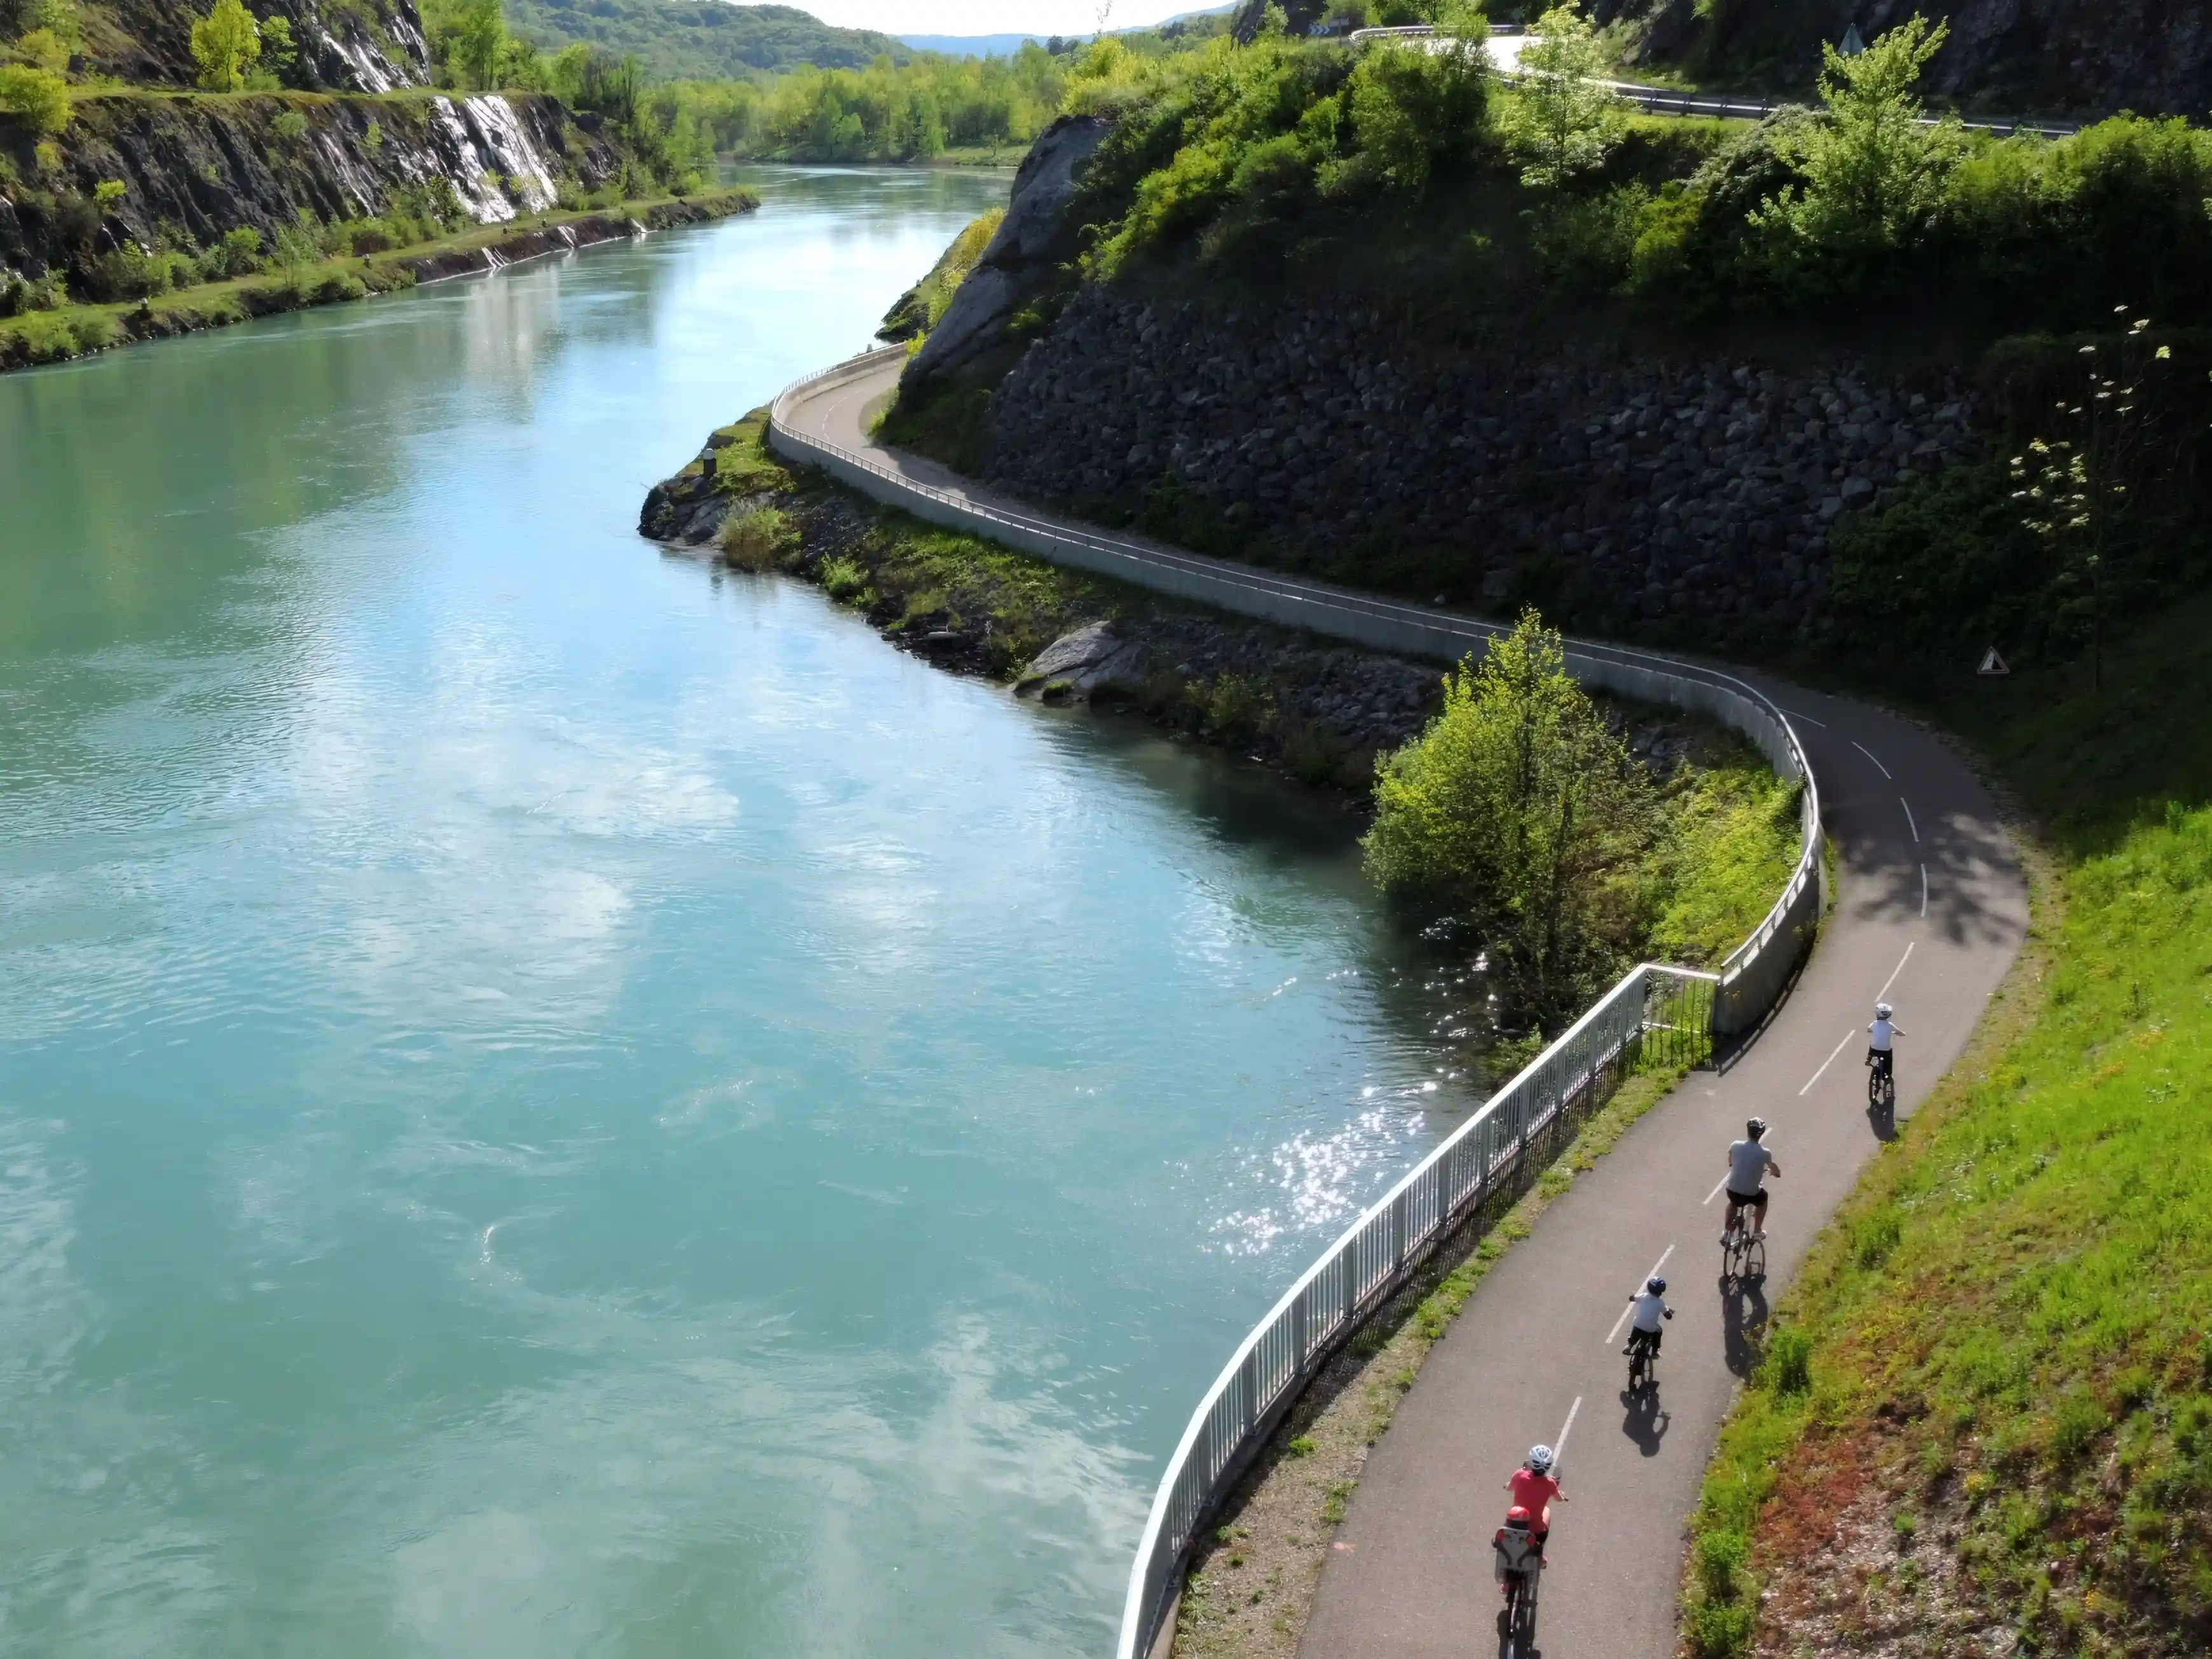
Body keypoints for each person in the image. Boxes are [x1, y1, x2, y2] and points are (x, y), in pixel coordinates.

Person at [1723, 1118, 1781, 1243]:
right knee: (1763, 1200)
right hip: (1751, 1193)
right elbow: (1775, 1169)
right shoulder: (1765, 1153)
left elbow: (1730, 1162)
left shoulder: (1736, 1145)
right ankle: (1756, 1232)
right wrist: (1776, 1173)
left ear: (1748, 1131)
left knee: (1733, 1204)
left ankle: (1728, 1234)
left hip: (1732, 1190)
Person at [1505, 1444, 1566, 1564]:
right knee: (1547, 1511)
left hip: (1514, 1523)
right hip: (1534, 1529)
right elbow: (1558, 1498)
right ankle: (1539, 1552)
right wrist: (1562, 1497)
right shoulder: (1550, 1483)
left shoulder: (1519, 1475)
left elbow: (1509, 1488)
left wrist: (1507, 1485)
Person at [1623, 1274, 1674, 1356]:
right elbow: (1668, 1316)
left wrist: (1632, 1296)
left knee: (1635, 1331)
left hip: (1637, 1324)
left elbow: (1632, 1298)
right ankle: (1655, 1351)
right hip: (1650, 1329)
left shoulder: (1643, 1296)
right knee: (1659, 1331)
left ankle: (1629, 1346)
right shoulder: (1660, 1303)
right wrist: (1670, 1313)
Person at [1866, 1002, 1905, 1089]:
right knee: (1889, 1059)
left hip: (1874, 1049)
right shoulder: (1890, 1025)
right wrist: (1903, 1034)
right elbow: (1899, 1032)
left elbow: (1869, 1030)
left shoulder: (1875, 1023)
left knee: (1872, 1044)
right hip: (1885, 1050)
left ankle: (1869, 1058)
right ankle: (1888, 1076)